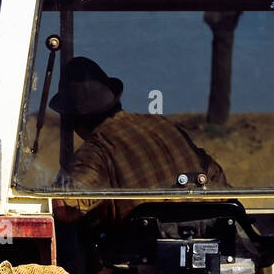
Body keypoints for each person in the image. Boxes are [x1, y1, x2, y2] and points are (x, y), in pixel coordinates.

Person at [49, 56, 227, 193]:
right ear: (114, 100)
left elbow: (69, 207)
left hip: (140, 239)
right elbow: (215, 174)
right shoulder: (162, 124)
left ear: (75, 121)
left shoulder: (96, 150)